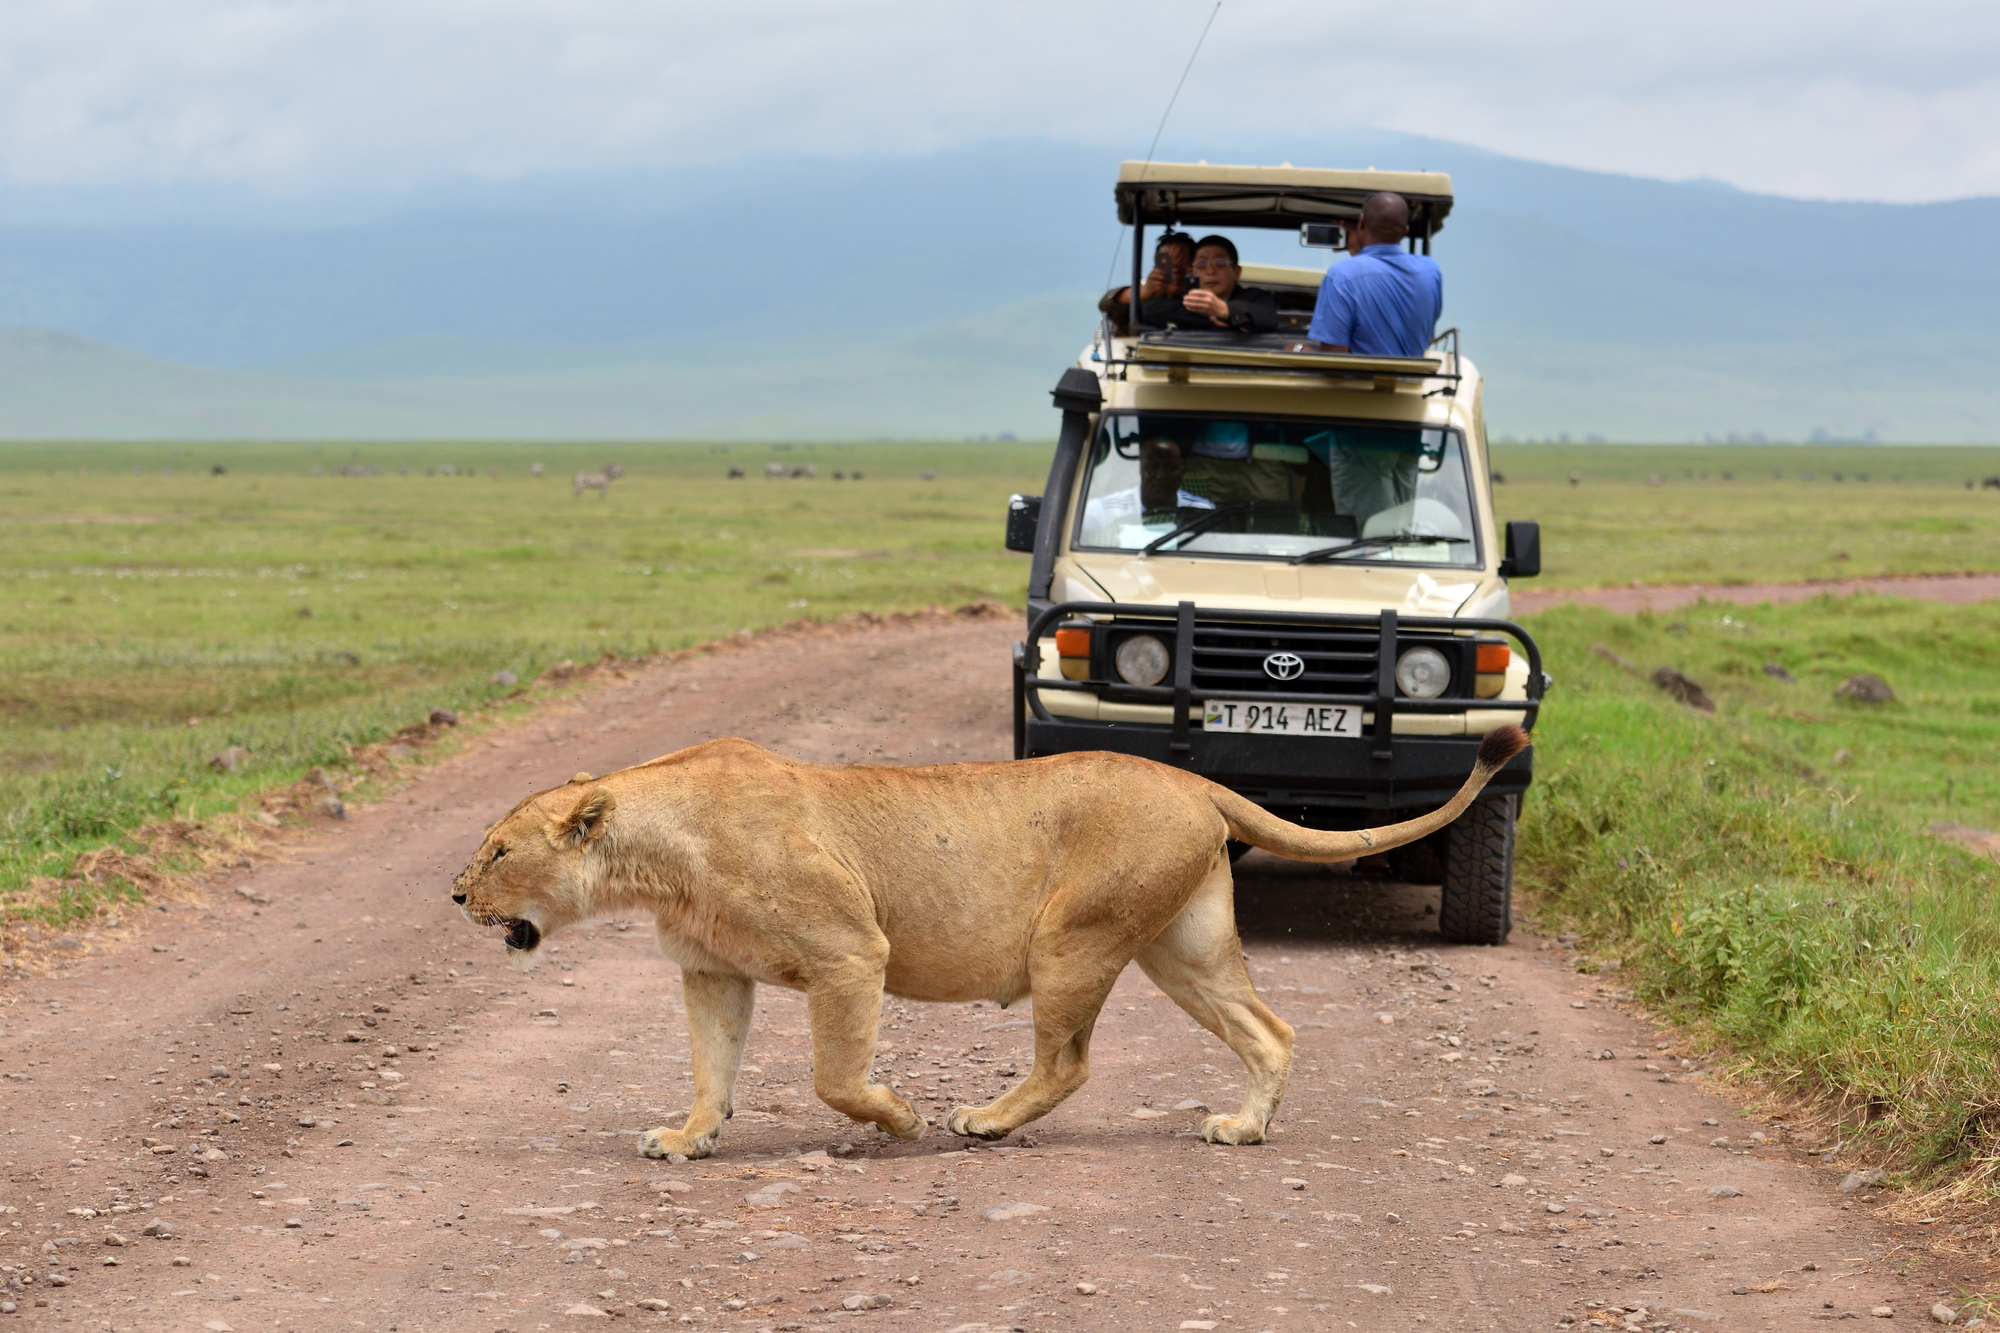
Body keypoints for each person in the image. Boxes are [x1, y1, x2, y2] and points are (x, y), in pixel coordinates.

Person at [1291, 192, 1442, 356]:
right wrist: (1360, 253)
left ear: (1362, 222)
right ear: (1405, 231)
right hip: (1413, 379)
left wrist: (1297, 348)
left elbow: (1334, 360)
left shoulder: (1341, 275)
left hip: (1362, 381)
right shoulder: (1431, 270)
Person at [1139, 235, 1277, 334]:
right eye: (1201, 264)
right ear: (1192, 272)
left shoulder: (1254, 296)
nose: (1210, 271)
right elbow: (1152, 309)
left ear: (1236, 272)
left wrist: (1227, 310)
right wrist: (1215, 315)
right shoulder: (1183, 299)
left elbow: (1267, 317)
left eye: (1220, 264)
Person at [1099, 232, 1196, 334]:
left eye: (1184, 263)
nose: (1176, 270)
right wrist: (1144, 292)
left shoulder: (1206, 299)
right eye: (1168, 264)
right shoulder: (1143, 300)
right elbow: (1107, 304)